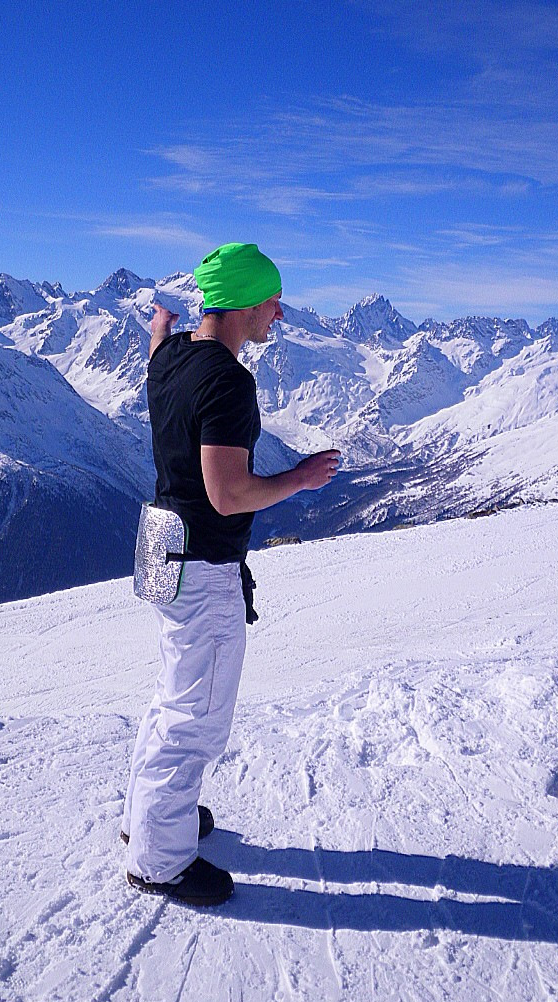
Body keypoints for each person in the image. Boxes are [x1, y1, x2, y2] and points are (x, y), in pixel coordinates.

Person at [121, 242, 340, 907]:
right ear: (246, 304)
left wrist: (160, 329)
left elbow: (160, 347)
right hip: (201, 562)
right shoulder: (225, 380)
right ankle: (157, 860)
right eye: (272, 300)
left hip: (161, 552)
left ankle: (147, 820)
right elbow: (227, 494)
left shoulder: (177, 358)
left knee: (172, 695)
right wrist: (298, 479)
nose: (279, 313)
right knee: (195, 716)